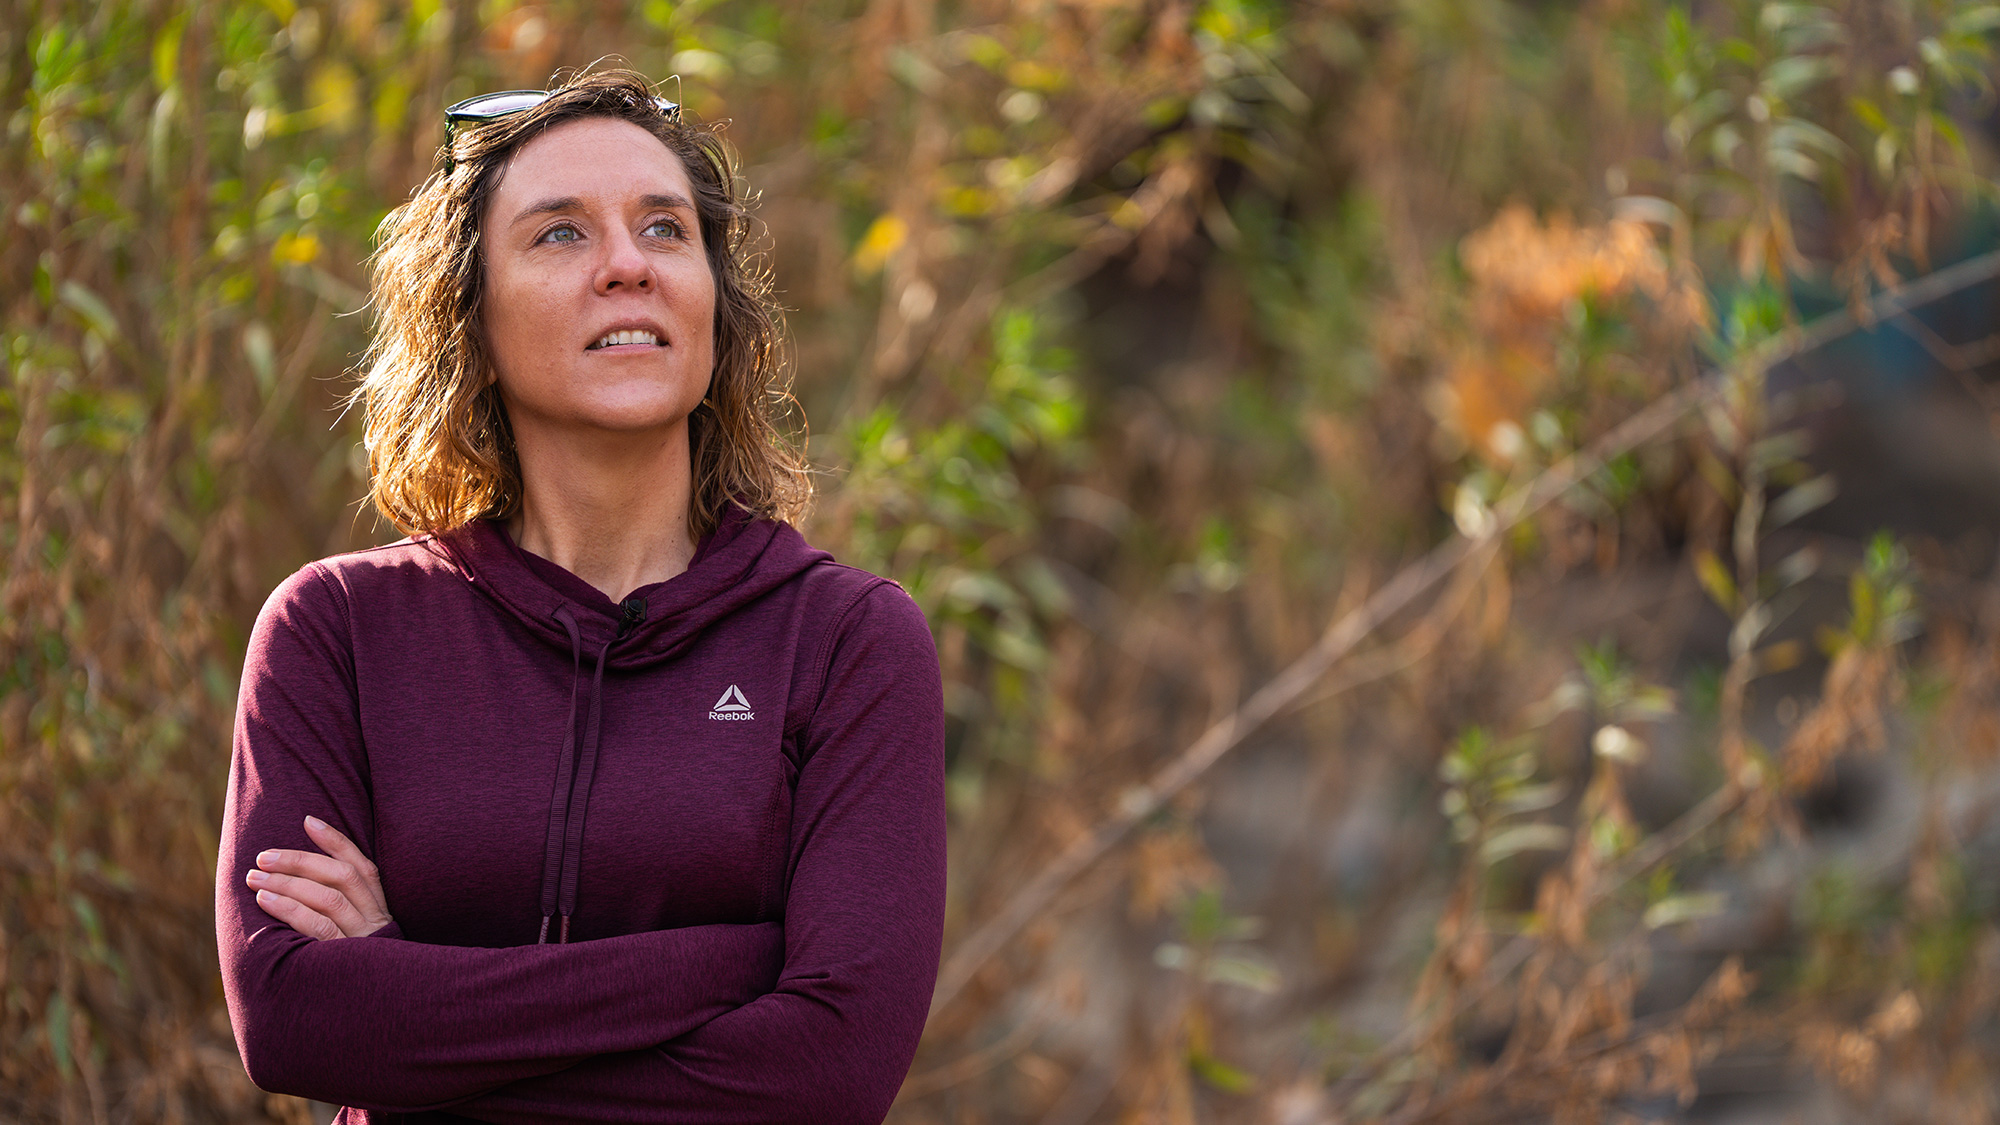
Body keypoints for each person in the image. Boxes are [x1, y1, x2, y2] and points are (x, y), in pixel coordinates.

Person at [214, 69, 946, 1124]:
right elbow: (293, 1019)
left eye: (664, 229)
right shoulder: (337, 630)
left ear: (714, 302)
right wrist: (728, 965)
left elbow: (831, 1069)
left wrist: (400, 989)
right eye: (560, 233)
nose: (627, 265)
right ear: (469, 320)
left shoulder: (842, 640)